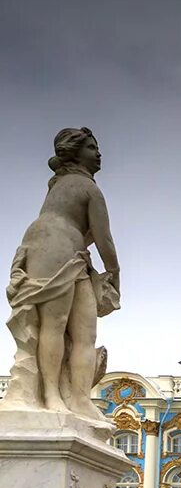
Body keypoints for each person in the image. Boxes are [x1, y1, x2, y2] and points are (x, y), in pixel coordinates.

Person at [0, 127, 119, 423]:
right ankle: (50, 394)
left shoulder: (68, 186)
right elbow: (104, 238)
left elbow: (87, 232)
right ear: (76, 153)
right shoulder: (85, 187)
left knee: (85, 332)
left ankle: (79, 399)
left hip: (72, 251)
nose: (99, 153)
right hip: (51, 242)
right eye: (92, 147)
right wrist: (114, 272)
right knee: (54, 322)